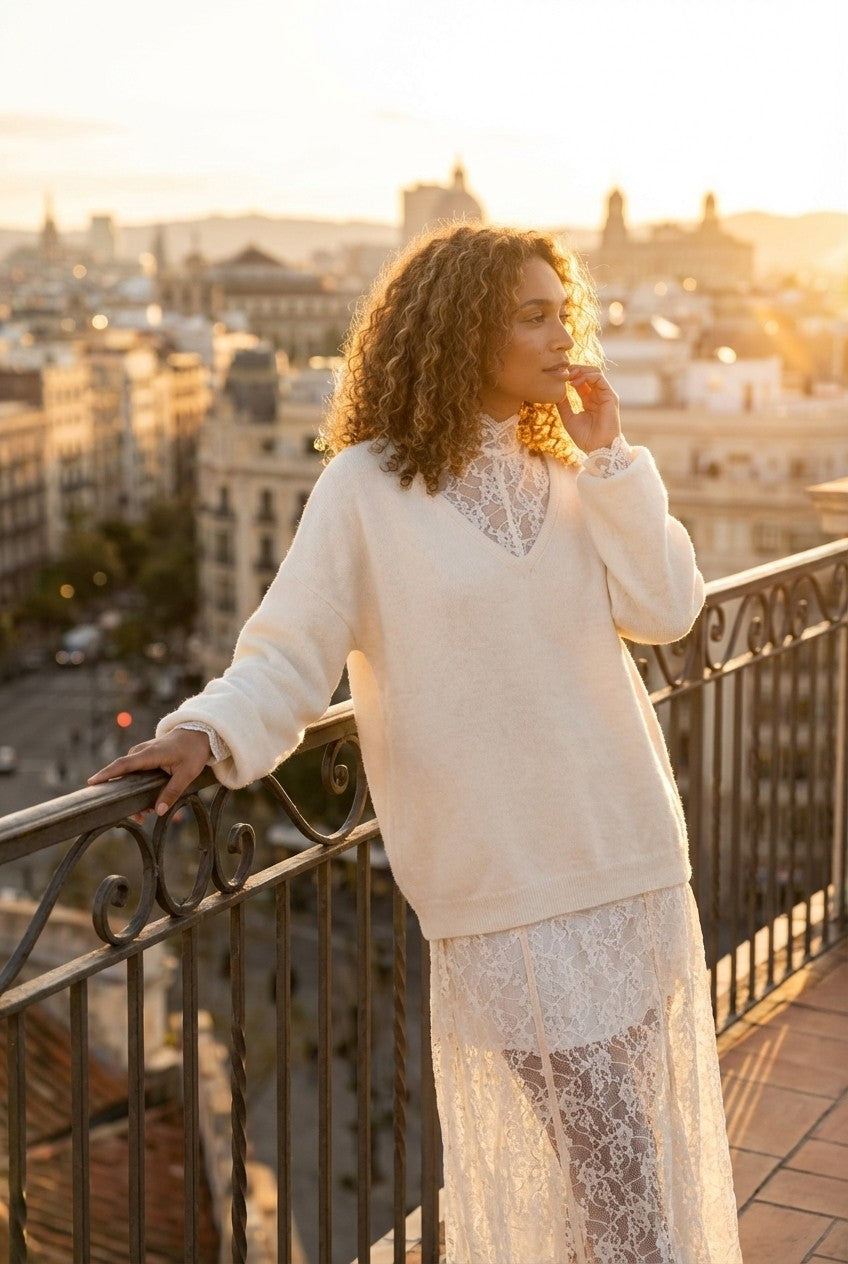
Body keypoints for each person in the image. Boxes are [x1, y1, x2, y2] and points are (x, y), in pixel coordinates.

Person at [89, 223, 743, 1263]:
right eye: (530, 313)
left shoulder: (575, 471)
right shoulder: (365, 486)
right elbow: (289, 650)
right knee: (609, 1155)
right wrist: (205, 731)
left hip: (621, 849)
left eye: (559, 308)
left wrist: (612, 452)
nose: (559, 332)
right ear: (455, 329)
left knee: (627, 1155)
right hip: (496, 883)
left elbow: (667, 609)